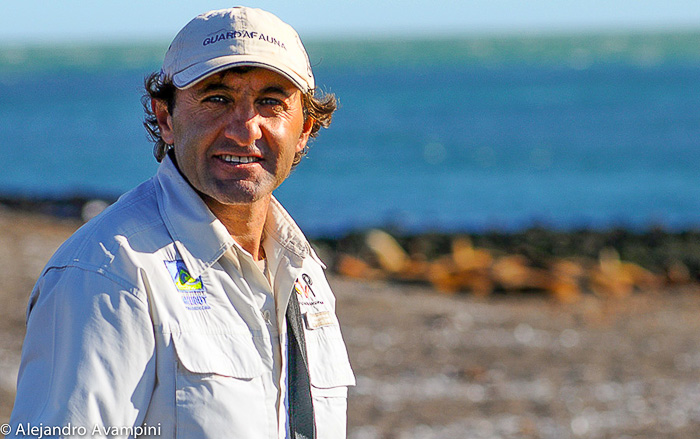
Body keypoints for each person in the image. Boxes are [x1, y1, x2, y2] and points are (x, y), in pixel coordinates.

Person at [9, 7, 355, 439]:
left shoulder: (302, 271)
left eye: (270, 102)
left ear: (304, 128)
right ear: (166, 118)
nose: (246, 128)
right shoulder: (110, 274)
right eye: (217, 99)